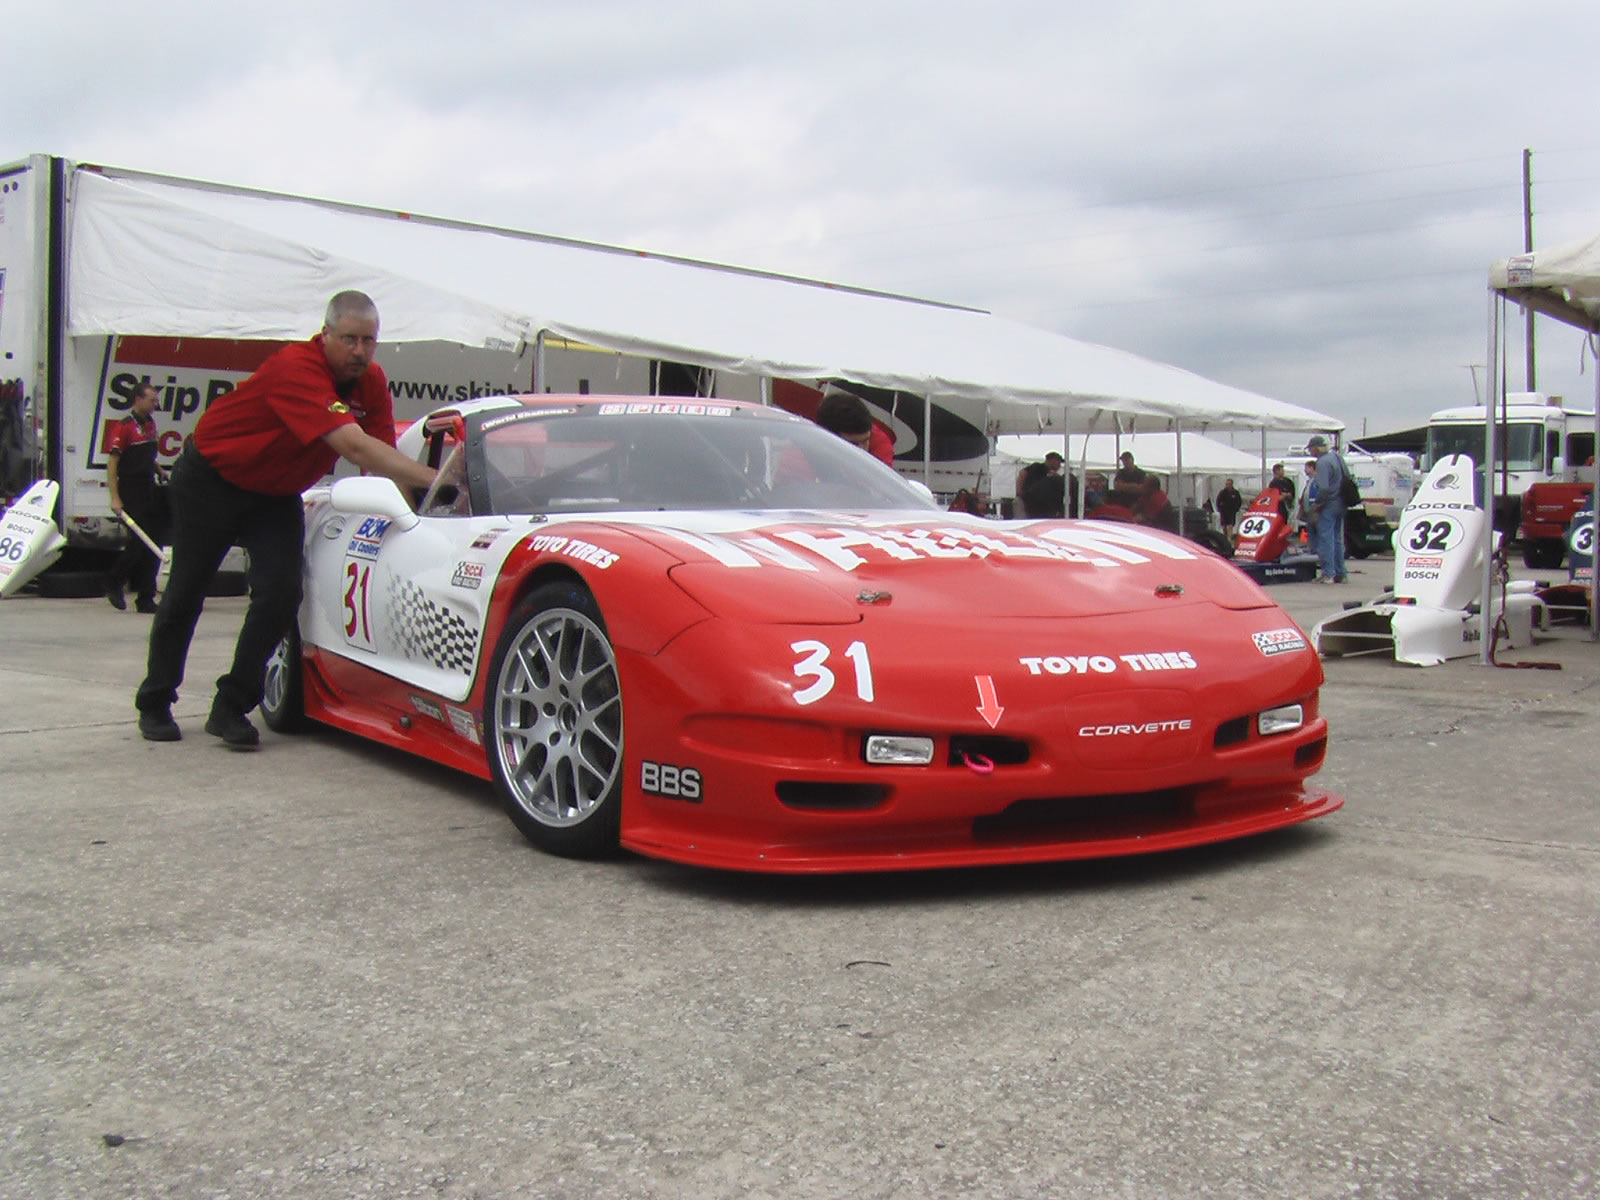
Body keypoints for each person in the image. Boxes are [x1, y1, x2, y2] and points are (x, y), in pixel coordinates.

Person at [134, 291, 438, 747]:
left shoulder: (371, 383)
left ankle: (232, 704)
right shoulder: (296, 367)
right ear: (326, 334)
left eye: (368, 341)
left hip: (275, 494)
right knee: (186, 592)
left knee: (280, 595)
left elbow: (380, 459)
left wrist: (421, 515)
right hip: (211, 480)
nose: (359, 351)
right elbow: (353, 446)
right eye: (349, 339)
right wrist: (439, 480)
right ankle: (155, 701)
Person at [105, 380, 164, 614]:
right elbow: (113, 464)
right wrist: (115, 498)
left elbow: (147, 455)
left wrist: (158, 469)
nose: (155, 404)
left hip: (148, 486)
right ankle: (115, 580)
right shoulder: (124, 427)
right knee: (140, 540)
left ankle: (146, 598)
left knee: (155, 543)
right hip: (130, 489)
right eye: (152, 400)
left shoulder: (150, 424)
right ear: (138, 399)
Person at [815, 385, 894, 466]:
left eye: (865, 441)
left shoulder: (880, 444)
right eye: (854, 444)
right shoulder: (811, 444)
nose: (862, 450)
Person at [1307, 434, 1348, 584]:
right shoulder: (1337, 457)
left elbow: (1324, 487)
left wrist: (1318, 504)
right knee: (1338, 539)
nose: (1310, 452)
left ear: (1316, 448)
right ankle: (1341, 572)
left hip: (1329, 504)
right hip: (1342, 502)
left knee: (1326, 538)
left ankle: (1328, 573)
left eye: (1311, 449)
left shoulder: (1322, 462)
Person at [1017, 451, 1066, 518]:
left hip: (1041, 505)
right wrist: (1019, 490)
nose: (1059, 465)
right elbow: (1023, 472)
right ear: (1050, 460)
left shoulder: (1053, 475)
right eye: (1058, 462)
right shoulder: (1038, 467)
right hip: (1031, 501)